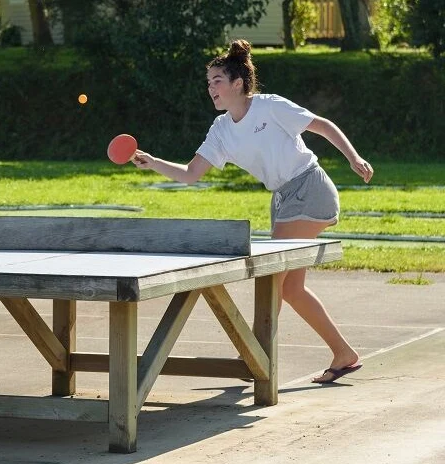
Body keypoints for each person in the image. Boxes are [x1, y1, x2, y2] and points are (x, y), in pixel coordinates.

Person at [133, 40, 373, 384]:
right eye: (208, 82)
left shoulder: (269, 107)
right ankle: (343, 353)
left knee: (271, 279)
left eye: (217, 80)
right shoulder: (220, 130)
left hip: (310, 189)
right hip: (283, 200)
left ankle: (254, 357)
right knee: (289, 290)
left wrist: (353, 158)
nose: (210, 88)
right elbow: (190, 174)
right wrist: (153, 162)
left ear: (237, 84)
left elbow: (322, 124)